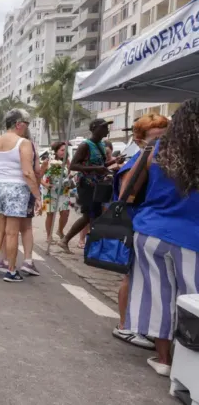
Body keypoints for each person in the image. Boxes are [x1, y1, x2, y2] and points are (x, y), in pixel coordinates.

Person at [120, 99, 199, 377]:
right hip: (193, 238)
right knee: (192, 300)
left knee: (156, 296)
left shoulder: (155, 150)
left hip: (150, 230)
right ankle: (190, 363)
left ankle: (163, 359)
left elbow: (126, 192)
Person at [109, 114, 169, 351]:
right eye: (156, 137)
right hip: (135, 224)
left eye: (165, 135)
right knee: (130, 275)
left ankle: (143, 326)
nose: (161, 141)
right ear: (140, 138)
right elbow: (127, 196)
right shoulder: (137, 160)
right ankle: (124, 324)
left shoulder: (155, 158)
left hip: (144, 224)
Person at [0, 109, 41, 282]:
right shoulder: (23, 143)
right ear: (18, 124)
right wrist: (37, 196)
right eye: (26, 124)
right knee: (12, 232)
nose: (26, 128)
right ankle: (11, 271)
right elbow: (28, 172)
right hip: (16, 189)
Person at [58, 118, 119, 253]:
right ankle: (92, 248)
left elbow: (100, 166)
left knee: (91, 216)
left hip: (98, 185)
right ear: (94, 128)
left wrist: (113, 162)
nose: (106, 130)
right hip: (86, 185)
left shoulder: (102, 145)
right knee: (92, 216)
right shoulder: (85, 145)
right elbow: (74, 165)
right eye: (103, 127)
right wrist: (97, 169)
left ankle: (68, 241)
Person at [40, 141, 71, 244]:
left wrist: (70, 179)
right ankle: (49, 236)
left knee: (65, 213)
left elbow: (70, 174)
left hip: (64, 190)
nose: (64, 152)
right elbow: (39, 177)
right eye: (62, 150)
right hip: (49, 191)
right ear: (56, 151)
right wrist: (45, 184)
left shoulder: (67, 161)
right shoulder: (47, 162)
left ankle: (60, 230)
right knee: (50, 214)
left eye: (66, 150)